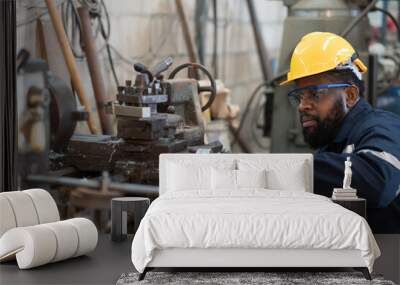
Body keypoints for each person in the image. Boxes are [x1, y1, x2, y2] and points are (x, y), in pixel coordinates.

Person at [280, 32, 400, 233]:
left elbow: (378, 180)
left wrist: (290, 169)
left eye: (315, 94)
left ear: (350, 95)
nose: (302, 106)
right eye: (299, 96)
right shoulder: (333, 144)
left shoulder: (381, 126)